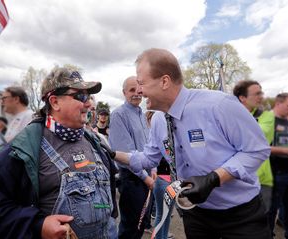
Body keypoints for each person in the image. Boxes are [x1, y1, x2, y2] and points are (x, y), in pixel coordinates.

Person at [112, 48, 272, 239]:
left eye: (141, 83)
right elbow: (148, 158)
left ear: (164, 81)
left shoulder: (219, 105)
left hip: (241, 215)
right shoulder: (158, 120)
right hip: (195, 215)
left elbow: (257, 150)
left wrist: (215, 178)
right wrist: (112, 154)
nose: (139, 90)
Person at [0, 67, 114, 239]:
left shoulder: (95, 141)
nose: (89, 103)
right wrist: (37, 225)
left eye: (89, 96)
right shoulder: (21, 150)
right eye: (81, 96)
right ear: (54, 102)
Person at [109, 76, 154, 239]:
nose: (136, 93)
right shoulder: (119, 115)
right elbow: (124, 154)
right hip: (132, 179)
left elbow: (148, 146)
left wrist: (153, 169)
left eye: (138, 89)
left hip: (145, 174)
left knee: (141, 224)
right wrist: (146, 178)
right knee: (131, 226)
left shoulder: (141, 114)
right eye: (131, 90)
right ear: (123, 93)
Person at [233, 80, 274, 213]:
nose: (261, 96)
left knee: (264, 219)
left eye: (261, 93)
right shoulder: (230, 116)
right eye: (256, 94)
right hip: (237, 178)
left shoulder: (267, 115)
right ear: (242, 98)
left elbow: (257, 133)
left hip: (262, 179)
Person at [85, 95, 119, 239]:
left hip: (106, 209)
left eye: (92, 109)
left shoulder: (101, 138)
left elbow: (112, 168)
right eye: (87, 108)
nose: (89, 112)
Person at [145, 111, 175, 239]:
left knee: (167, 215)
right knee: (160, 214)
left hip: (173, 181)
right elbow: (152, 158)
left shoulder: (172, 136)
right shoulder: (156, 140)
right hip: (162, 179)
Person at [267, 93, 288, 238]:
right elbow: (258, 147)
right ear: (278, 103)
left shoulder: (287, 120)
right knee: (271, 207)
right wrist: (284, 151)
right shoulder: (266, 121)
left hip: (287, 170)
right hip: (274, 171)